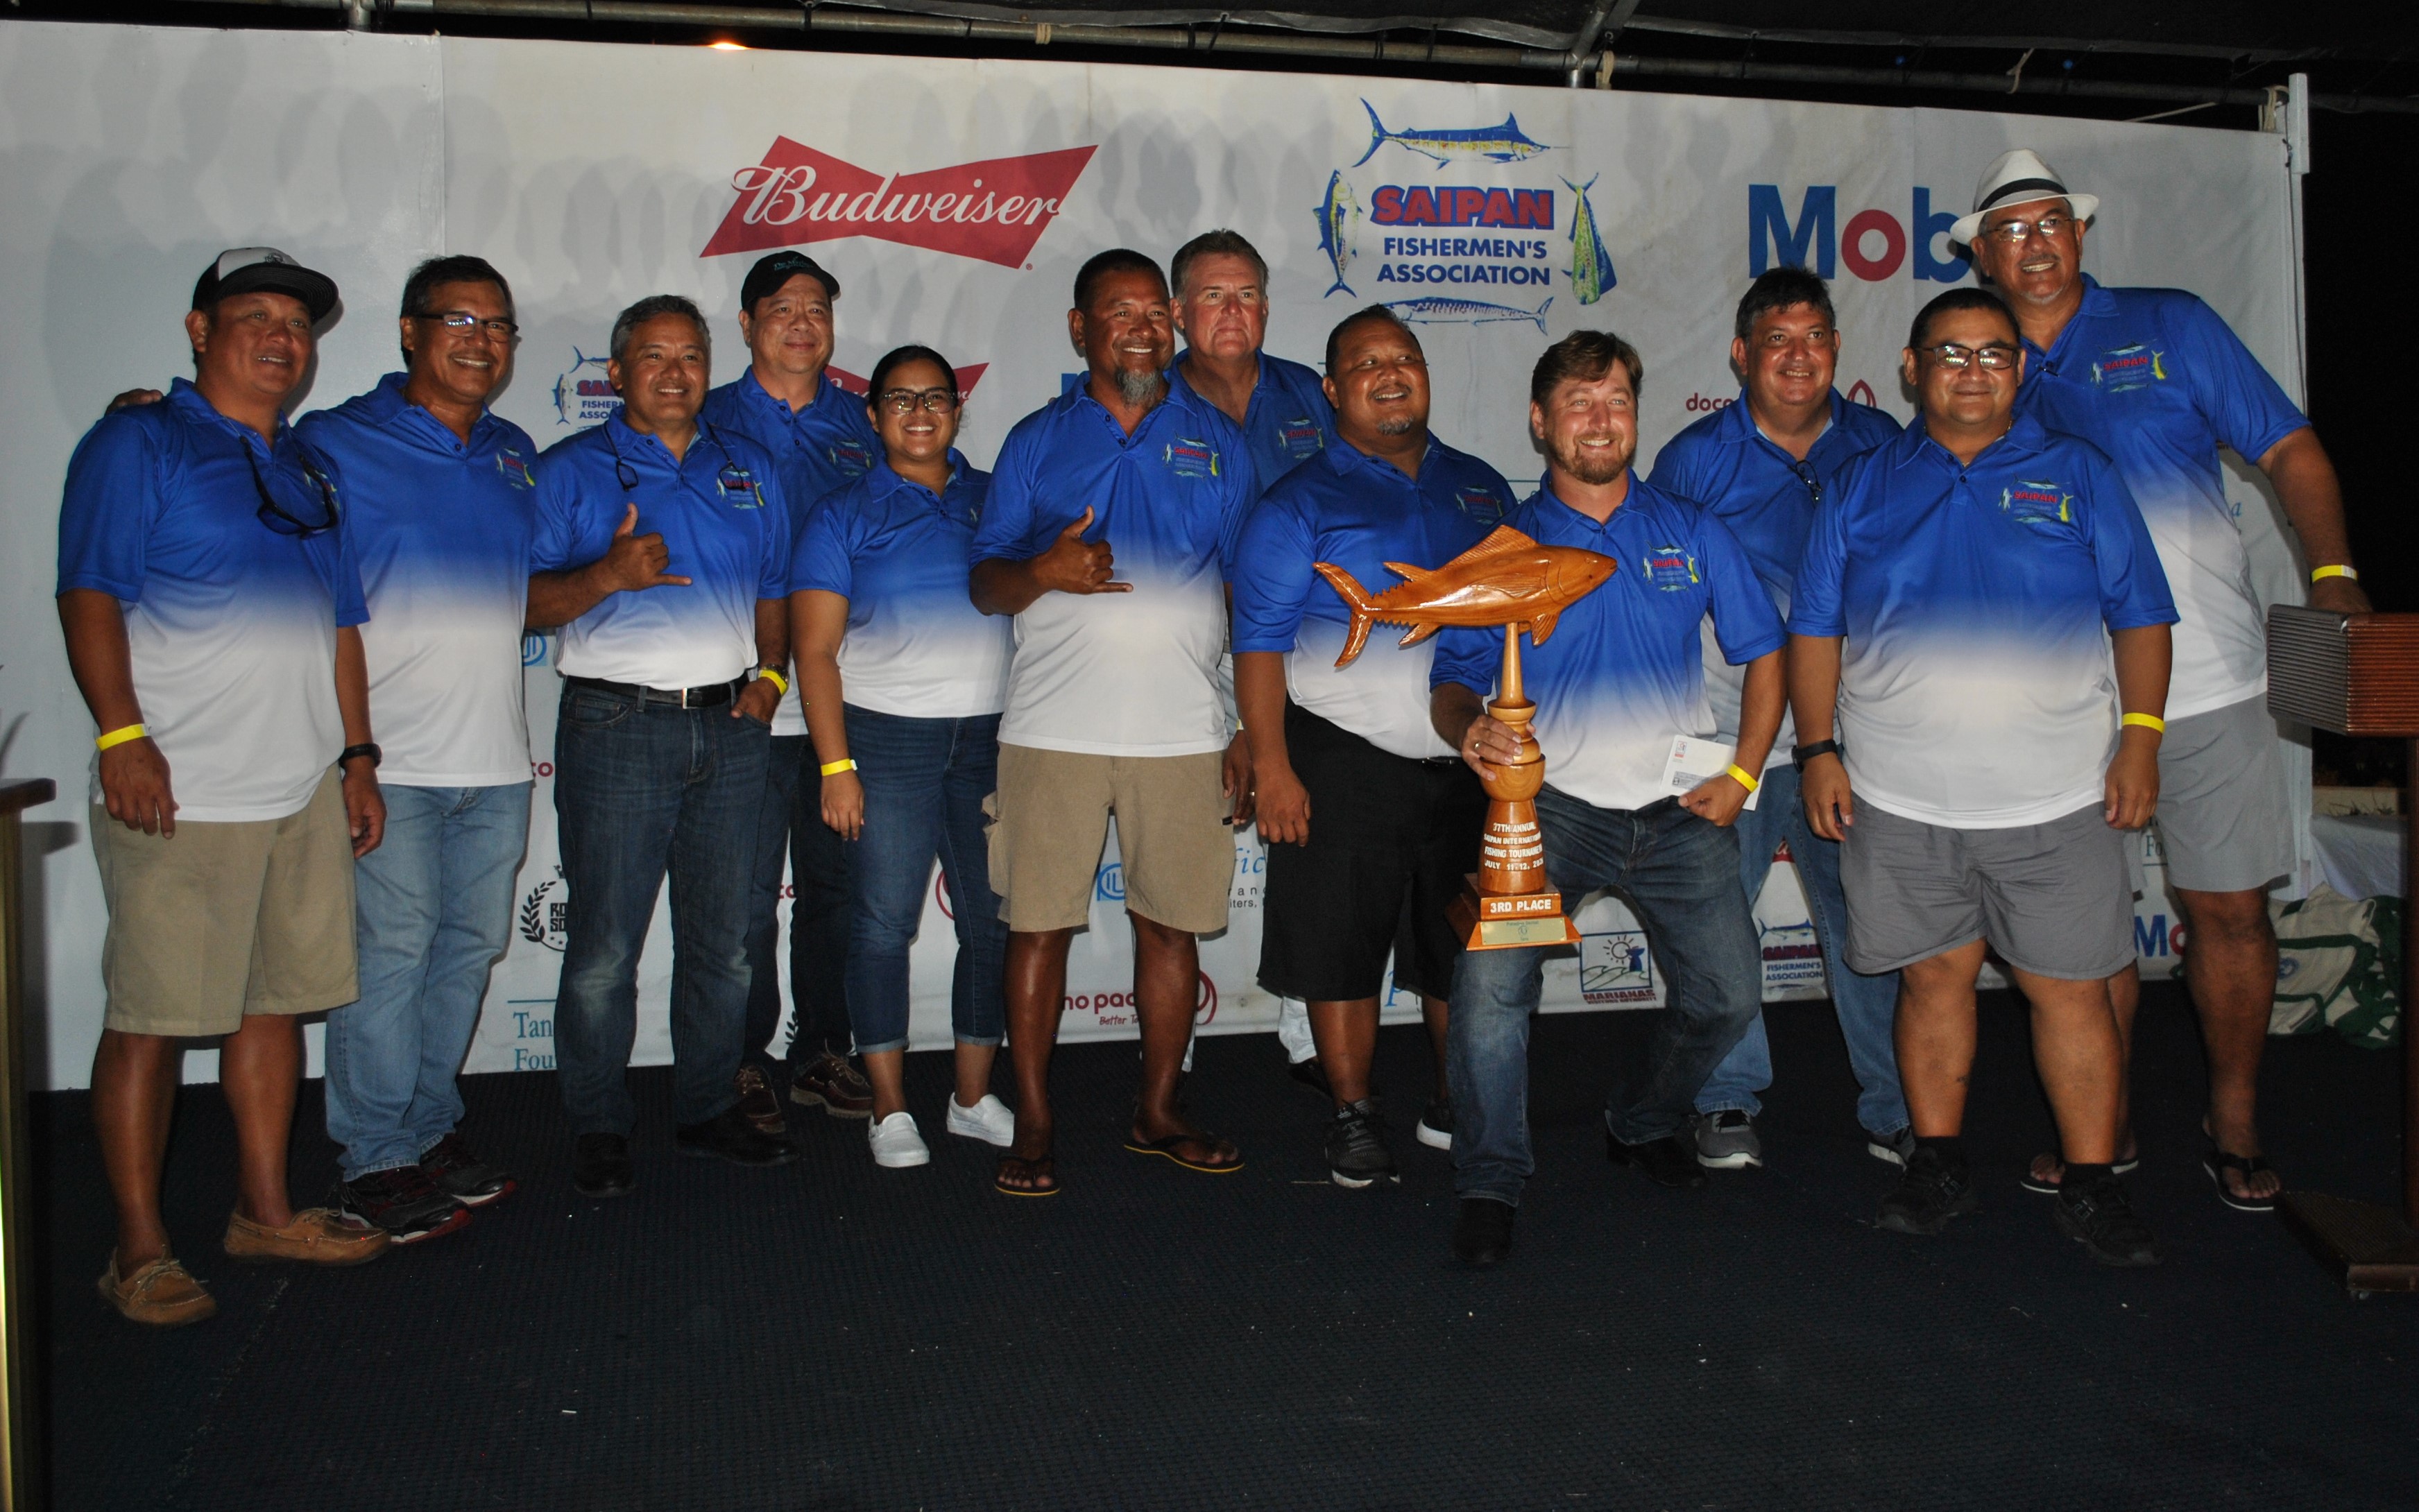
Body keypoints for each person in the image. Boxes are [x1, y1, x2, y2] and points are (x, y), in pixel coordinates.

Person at [1955, 149, 2368, 1212]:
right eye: (2012, 230)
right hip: (2054, 699)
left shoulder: (2171, 324)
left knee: (2225, 910)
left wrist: (2331, 576)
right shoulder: (1975, 365)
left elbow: (2290, 451)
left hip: (2208, 678)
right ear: (1980, 257)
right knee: (2078, 936)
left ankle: (2230, 1113)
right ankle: (2108, 1125)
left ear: (2079, 236)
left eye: (2053, 222)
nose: (2036, 242)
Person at [1790, 286, 2177, 1267]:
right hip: (1900, 798)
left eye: (1993, 354)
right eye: (1949, 354)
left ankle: (2091, 1185)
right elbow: (1813, 631)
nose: (1971, 371)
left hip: (2055, 802)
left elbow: (2139, 616)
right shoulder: (1861, 485)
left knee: (2072, 995)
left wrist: (2139, 737)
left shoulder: (2078, 473)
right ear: (1912, 369)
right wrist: (1815, 749)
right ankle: (1937, 1162)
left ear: (2019, 369)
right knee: (1931, 984)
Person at [60, 248, 392, 1325]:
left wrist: (354, 757)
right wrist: (121, 734)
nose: (279, 339)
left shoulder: (305, 466)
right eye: (252, 318)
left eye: (295, 325)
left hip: (295, 786)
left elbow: (341, 625)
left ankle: (263, 1210)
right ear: (200, 330)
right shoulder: (137, 440)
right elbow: (91, 594)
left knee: (273, 1006)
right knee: (150, 1019)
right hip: (180, 782)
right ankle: (139, 1247)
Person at [1433, 331, 1786, 1267]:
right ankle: (1489, 1180)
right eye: (1580, 403)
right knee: (1488, 996)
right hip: (1546, 813)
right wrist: (1465, 728)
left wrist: (1744, 771)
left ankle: (1638, 1118)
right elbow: (1452, 681)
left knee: (1726, 997)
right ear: (1539, 422)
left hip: (1677, 815)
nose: (1601, 419)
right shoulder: (1504, 549)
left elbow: (1765, 653)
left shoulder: (1690, 529)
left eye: (1618, 400)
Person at [970, 248, 1257, 1196]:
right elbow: (984, 582)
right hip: (1052, 726)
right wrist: (1042, 574)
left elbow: (1249, 598)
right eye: (1116, 310)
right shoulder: (1035, 441)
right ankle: (1038, 1123)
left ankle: (1158, 1110)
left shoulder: (1218, 440)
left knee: (1169, 930)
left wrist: (1248, 728)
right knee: (1038, 929)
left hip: (1183, 729)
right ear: (1078, 328)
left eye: (1151, 312)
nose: (1139, 326)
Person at [1231, 307, 1510, 1187]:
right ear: (1330, 389)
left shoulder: (1481, 487)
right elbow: (1258, 645)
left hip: (1464, 759)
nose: (1391, 374)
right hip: (1339, 754)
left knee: (1455, 946)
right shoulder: (1299, 501)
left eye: (1406, 358)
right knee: (1338, 945)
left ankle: (1453, 1099)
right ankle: (1353, 1113)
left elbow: (1512, 622)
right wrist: (1273, 764)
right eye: (1366, 363)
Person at [527, 294, 797, 1199]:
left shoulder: (746, 465)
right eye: (654, 356)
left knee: (722, 945)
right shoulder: (571, 469)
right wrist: (606, 575)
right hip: (617, 726)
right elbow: (518, 604)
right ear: (617, 373)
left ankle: (705, 1108)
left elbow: (774, 586)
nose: (675, 371)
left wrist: (770, 678)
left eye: (691, 355)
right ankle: (601, 1125)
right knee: (604, 947)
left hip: (731, 727)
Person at [1646, 268, 1911, 1173]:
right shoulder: (1691, 459)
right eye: (1775, 340)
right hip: (1731, 734)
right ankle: (1723, 1098)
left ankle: (1894, 1102)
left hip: (1852, 731)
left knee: (1867, 921)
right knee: (1717, 918)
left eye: (1813, 339)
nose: (1796, 358)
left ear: (1836, 349)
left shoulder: (1881, 444)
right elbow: (1660, 594)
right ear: (1739, 354)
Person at [296, 257, 536, 1242]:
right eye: (457, 319)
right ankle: (374, 1157)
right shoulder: (331, 443)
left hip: (496, 760)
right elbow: (232, 480)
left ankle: (428, 1128)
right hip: (385, 757)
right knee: (388, 957)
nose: (479, 339)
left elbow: (545, 590)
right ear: (408, 331)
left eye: (497, 325)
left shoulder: (517, 452)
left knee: (466, 951)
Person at [790, 344, 1016, 1168]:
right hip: (885, 739)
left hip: (989, 737)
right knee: (883, 924)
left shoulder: (997, 499)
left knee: (991, 924)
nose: (920, 412)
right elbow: (814, 652)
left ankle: (970, 1097)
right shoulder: (841, 512)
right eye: (900, 398)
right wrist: (836, 765)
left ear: (957, 410)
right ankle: (890, 1108)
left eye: (935, 398)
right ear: (873, 413)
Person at [701, 251, 881, 1133]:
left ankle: (823, 1048)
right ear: (746, 324)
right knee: (739, 897)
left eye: (818, 306)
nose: (802, 321)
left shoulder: (864, 423)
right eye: (781, 307)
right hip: (746, 696)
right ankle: (741, 1056)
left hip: (847, 697)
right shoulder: (703, 419)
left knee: (834, 889)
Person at [1164, 229, 1341, 1097]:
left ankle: (1306, 1020)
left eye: (1245, 296)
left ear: (1266, 309)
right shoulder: (1139, 405)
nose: (1230, 312)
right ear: (1176, 312)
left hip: (1295, 653)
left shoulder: (1312, 395)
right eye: (1211, 295)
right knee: (1178, 843)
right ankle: (1173, 1033)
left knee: (1303, 834)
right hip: (1183, 655)